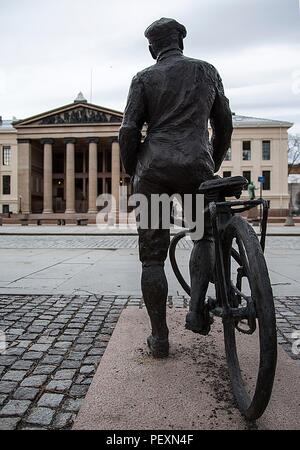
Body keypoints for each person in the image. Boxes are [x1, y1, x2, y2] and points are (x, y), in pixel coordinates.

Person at [119, 18, 233, 358]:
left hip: (154, 172)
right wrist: (212, 162)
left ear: (153, 47)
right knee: (204, 236)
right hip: (196, 166)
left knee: (152, 257)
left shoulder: (144, 78)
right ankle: (197, 310)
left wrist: (133, 171)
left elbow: (128, 130)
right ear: (181, 42)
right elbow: (224, 126)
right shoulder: (207, 71)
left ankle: (160, 339)